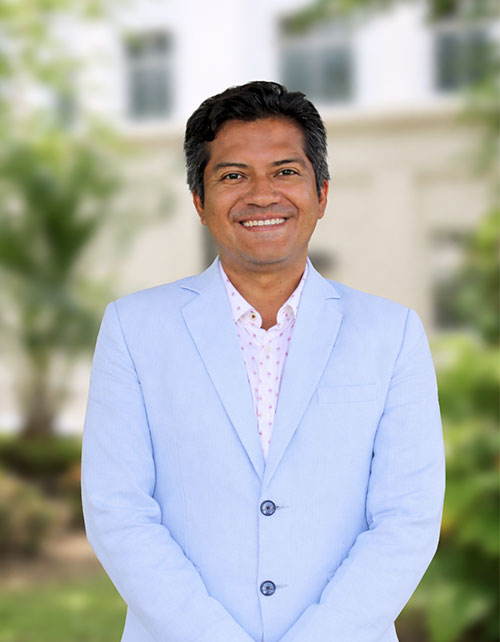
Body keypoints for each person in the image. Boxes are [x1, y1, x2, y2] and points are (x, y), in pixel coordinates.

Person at [81, 81, 445, 642]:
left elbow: (408, 517)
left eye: (285, 171)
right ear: (199, 201)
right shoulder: (134, 329)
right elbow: (118, 511)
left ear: (322, 193)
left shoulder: (390, 333)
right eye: (233, 176)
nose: (261, 195)